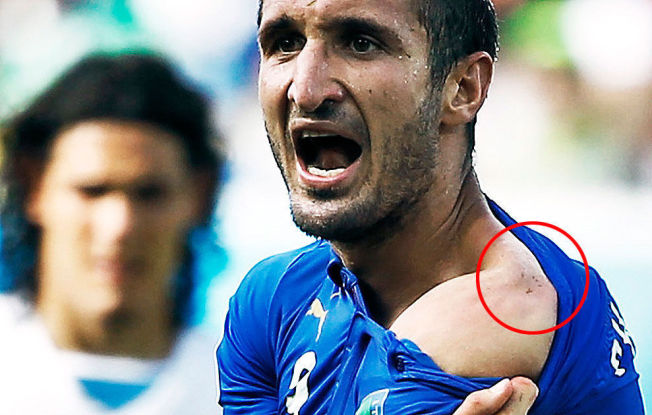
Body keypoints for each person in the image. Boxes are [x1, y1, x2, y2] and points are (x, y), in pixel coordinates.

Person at [216, 0, 644, 414]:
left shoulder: (501, 313)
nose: (306, 90)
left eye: (361, 44)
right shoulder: (277, 298)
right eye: (286, 43)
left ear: (463, 88)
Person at [0, 52, 225, 414]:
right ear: (34, 186)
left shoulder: (255, 393)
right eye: (92, 191)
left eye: (149, 194)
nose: (120, 226)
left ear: (200, 195)